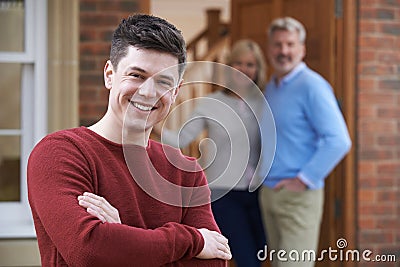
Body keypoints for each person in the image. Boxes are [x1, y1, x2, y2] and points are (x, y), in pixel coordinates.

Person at [27, 14, 232, 267]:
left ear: (176, 92)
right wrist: (193, 241)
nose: (148, 92)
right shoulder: (60, 154)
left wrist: (122, 236)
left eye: (164, 82)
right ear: (109, 74)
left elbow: (215, 263)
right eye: (136, 75)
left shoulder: (186, 171)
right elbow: (90, 253)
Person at [154, 39, 268, 267]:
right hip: (223, 192)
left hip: (260, 193)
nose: (244, 70)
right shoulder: (211, 103)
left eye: (250, 64)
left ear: (258, 70)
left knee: (260, 254)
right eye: (238, 63)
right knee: (247, 260)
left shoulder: (266, 103)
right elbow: (181, 138)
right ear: (229, 67)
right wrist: (152, 123)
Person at [257, 17, 352, 267]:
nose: (284, 51)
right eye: (278, 45)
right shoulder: (272, 87)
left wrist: (303, 180)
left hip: (297, 197)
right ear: (269, 49)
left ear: (302, 49)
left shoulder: (313, 86)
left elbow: (339, 140)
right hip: (270, 193)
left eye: (290, 44)